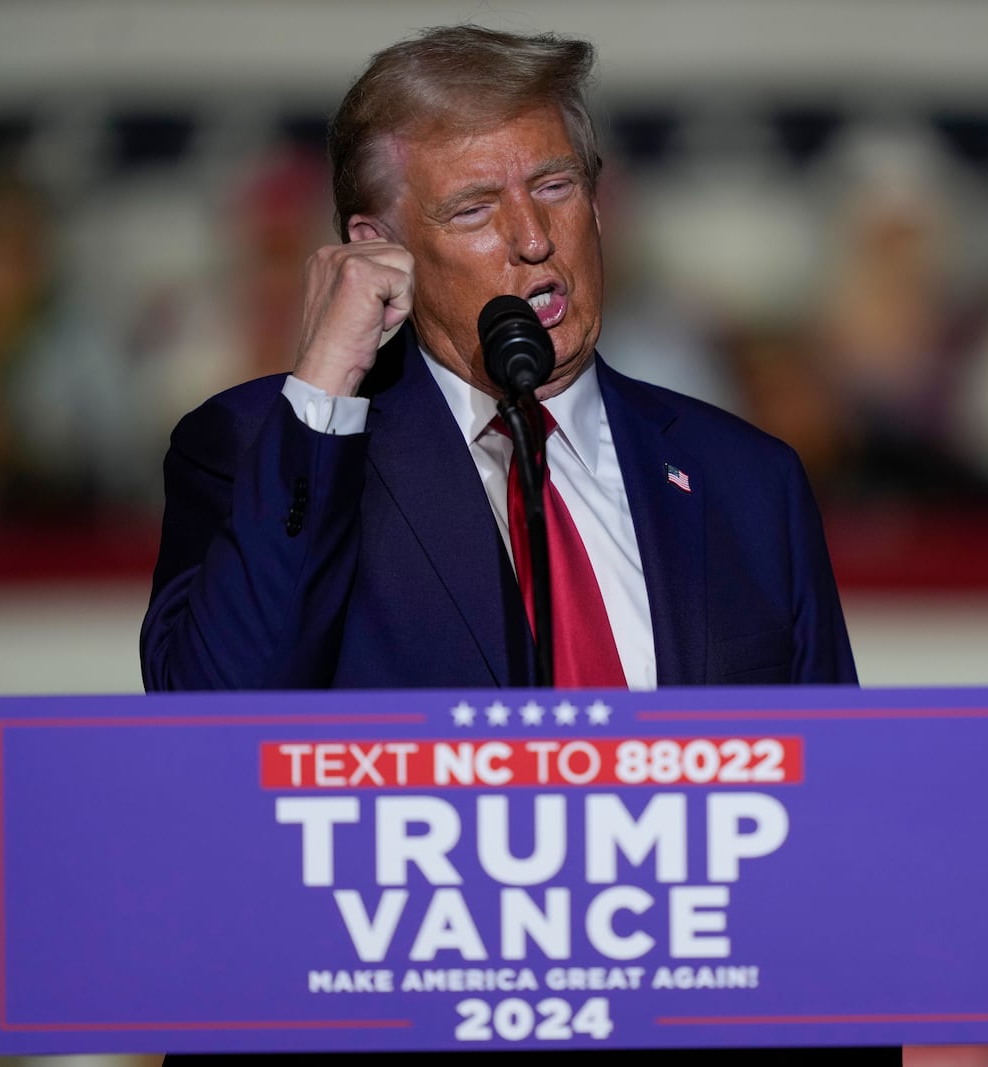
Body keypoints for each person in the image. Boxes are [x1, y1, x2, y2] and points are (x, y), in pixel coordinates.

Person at [142, 24, 875, 1066]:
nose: (532, 239)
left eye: (556, 187)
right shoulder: (267, 452)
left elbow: (831, 851)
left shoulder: (746, 481)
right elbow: (207, 734)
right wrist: (323, 392)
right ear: (375, 247)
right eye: (474, 208)